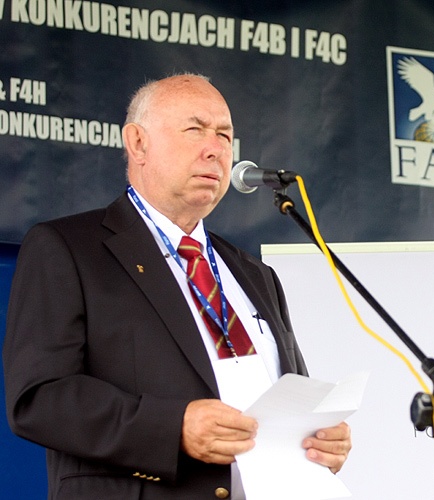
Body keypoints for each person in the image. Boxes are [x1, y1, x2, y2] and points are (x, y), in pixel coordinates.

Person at [3, 73, 351, 499]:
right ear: (138, 143)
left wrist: (318, 439)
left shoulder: (255, 275)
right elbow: (39, 398)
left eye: (224, 135)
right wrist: (172, 428)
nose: (215, 149)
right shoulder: (69, 249)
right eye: (195, 130)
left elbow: (290, 400)